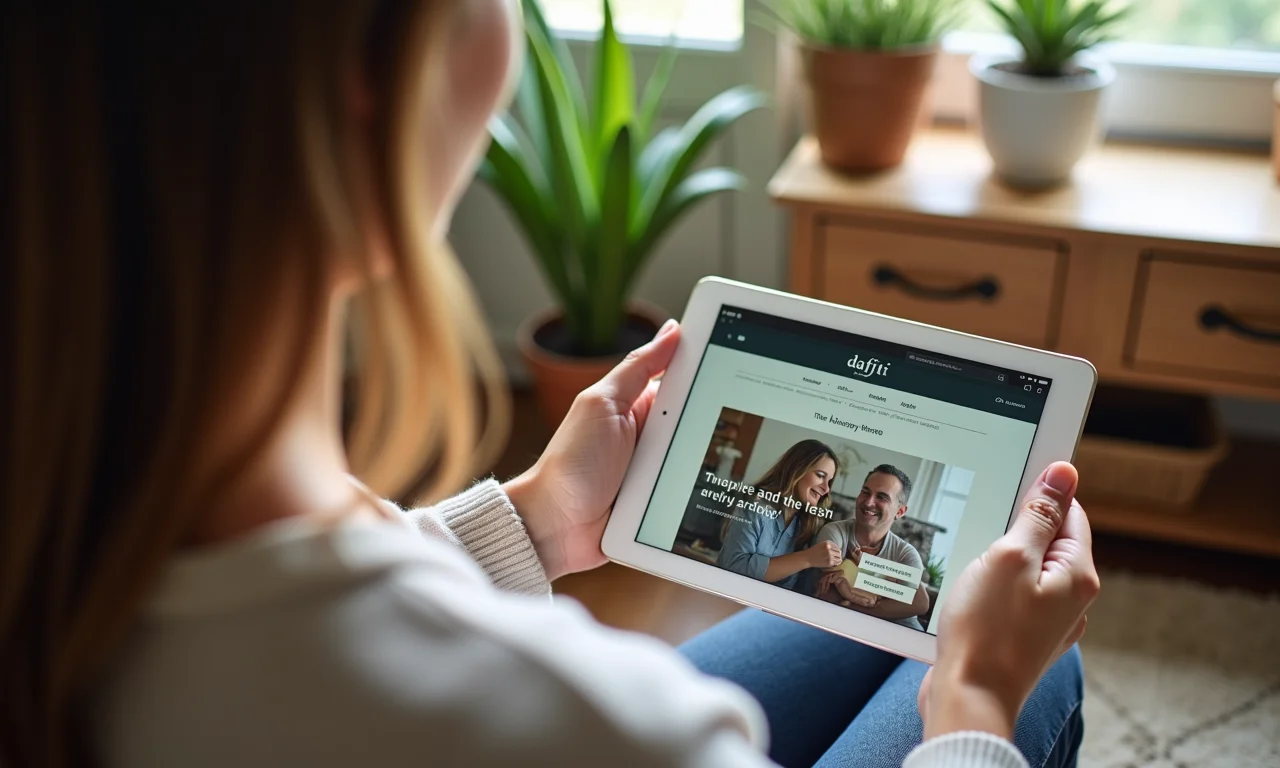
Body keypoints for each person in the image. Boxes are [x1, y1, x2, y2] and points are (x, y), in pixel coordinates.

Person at [0, 3, 1100, 767]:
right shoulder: (611, 727)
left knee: (873, 630)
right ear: (367, 82)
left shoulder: (66, 529)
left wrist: (526, 522)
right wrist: (973, 705)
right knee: (1028, 668)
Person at [814, 465, 930, 630]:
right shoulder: (835, 532)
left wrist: (853, 597)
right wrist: (888, 586)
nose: (869, 502)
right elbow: (828, 593)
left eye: (882, 497)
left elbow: (919, 603)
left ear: (900, 511)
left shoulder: (906, 554)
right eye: (865, 492)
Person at [715, 439, 843, 589]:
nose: (826, 489)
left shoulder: (806, 525)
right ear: (797, 469)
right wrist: (807, 558)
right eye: (820, 475)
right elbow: (735, 566)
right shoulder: (754, 505)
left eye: (829, 481)